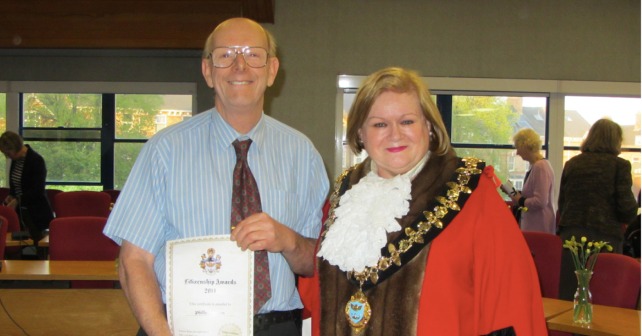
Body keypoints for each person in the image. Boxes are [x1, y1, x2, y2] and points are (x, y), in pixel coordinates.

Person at [103, 18, 329, 336]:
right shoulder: (164, 150)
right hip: (181, 327)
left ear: (272, 70)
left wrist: (287, 240)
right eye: (225, 55)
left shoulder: (303, 154)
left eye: (253, 54)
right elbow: (133, 261)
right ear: (208, 71)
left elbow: (316, 264)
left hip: (276, 327)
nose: (240, 66)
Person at [299, 67, 546, 335]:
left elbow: (512, 303)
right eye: (379, 123)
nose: (395, 134)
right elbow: (317, 295)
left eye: (407, 121)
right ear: (360, 133)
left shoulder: (473, 193)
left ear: (428, 127)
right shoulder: (344, 195)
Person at [557, 118, 638, 300]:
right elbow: (627, 209)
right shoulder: (619, 166)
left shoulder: (573, 164)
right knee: (603, 296)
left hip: (572, 237)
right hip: (605, 240)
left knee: (570, 295)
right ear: (615, 140)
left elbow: (562, 204)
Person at [0, 131, 53, 242]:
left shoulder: (36, 160)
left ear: (15, 147)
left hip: (36, 213)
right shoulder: (16, 161)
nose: (7, 157)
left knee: (37, 249)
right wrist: (11, 197)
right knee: (18, 247)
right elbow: (16, 186)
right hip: (20, 213)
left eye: (8, 153)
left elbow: (37, 190)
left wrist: (18, 200)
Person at [508, 128, 556, 234]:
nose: (517, 152)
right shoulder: (535, 166)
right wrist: (513, 193)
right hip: (535, 225)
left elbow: (540, 201)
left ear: (526, 146)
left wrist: (521, 200)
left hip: (539, 226)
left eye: (518, 148)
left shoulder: (540, 167)